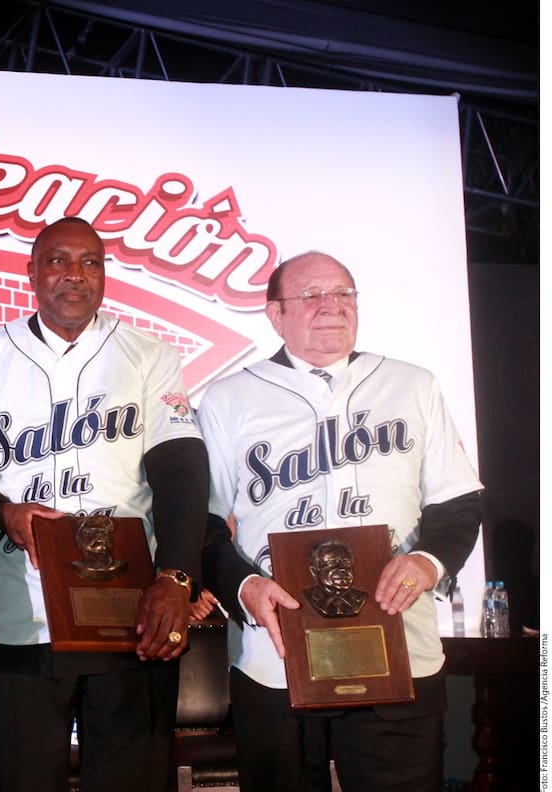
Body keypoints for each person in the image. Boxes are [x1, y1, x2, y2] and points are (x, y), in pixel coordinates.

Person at [197, 251, 483, 792]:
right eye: (311, 296)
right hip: (276, 652)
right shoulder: (229, 397)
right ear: (275, 313)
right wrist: (243, 587)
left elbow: (458, 500)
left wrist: (427, 562)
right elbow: (203, 522)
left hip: (397, 642)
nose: (331, 306)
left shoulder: (412, 384)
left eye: (343, 294)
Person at [0, 216, 209, 792]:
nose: (75, 276)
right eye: (59, 261)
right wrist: (4, 512)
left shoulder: (148, 354)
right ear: (32, 272)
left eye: (91, 262)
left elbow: (183, 474)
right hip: (22, 607)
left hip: (130, 609)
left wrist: (177, 578)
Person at [302, 540, 367, 618]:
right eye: (333, 563)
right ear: (315, 572)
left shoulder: (360, 598)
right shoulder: (310, 596)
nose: (343, 569)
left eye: (346, 563)